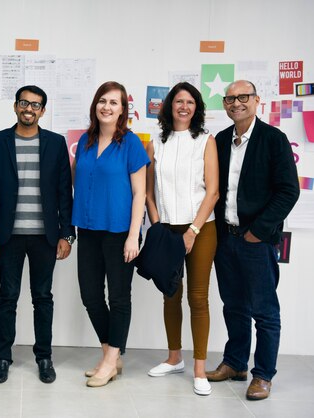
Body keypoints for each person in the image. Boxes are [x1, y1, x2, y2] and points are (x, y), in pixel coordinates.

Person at [206, 80, 299, 400]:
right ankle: (234, 363)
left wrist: (259, 231)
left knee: (264, 310)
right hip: (225, 238)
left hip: (256, 240)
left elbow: (289, 190)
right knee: (233, 305)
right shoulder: (219, 140)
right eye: (230, 99)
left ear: (257, 100)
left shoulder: (274, 139)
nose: (236, 103)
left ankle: (263, 375)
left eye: (242, 97)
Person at [0, 85, 75, 384]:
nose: (29, 109)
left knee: (42, 297)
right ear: (15, 106)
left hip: (45, 237)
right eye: (24, 103)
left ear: (43, 111)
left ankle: (44, 357)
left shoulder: (56, 143)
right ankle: (3, 358)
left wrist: (66, 234)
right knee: (7, 298)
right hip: (7, 237)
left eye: (35, 105)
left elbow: (64, 192)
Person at [72, 81, 149, 388]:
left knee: (118, 298)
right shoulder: (86, 140)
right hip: (88, 228)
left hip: (120, 232)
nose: (106, 106)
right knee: (90, 295)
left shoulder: (130, 143)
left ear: (122, 109)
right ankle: (110, 355)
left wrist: (134, 236)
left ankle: (110, 359)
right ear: (95, 105)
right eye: (102, 101)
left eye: (114, 102)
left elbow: (140, 193)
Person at [145, 82, 219, 396]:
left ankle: (199, 368)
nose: (184, 107)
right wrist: (159, 227)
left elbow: (212, 191)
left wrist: (192, 231)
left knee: (198, 298)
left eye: (190, 102)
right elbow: (149, 191)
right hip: (167, 229)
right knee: (170, 295)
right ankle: (174, 357)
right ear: (169, 106)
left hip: (200, 229)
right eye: (178, 101)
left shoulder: (205, 141)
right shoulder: (155, 143)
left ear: (196, 107)